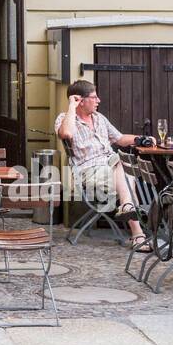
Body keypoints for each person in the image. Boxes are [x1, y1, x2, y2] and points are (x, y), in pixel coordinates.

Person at [55, 80, 151, 253]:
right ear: (80, 100)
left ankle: (131, 217)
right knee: (125, 167)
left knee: (124, 166)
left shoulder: (100, 118)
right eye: (94, 97)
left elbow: (120, 139)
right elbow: (66, 133)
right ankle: (135, 225)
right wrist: (71, 106)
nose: (98, 100)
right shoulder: (65, 119)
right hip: (89, 171)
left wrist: (140, 139)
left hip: (112, 167)